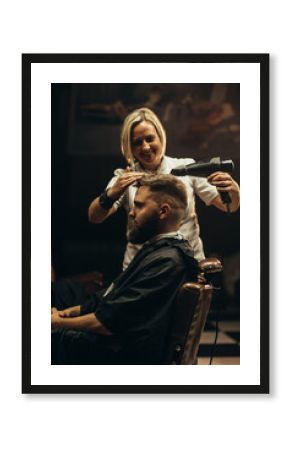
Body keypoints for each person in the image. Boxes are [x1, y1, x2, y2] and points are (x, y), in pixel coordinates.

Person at [51, 175, 199, 365]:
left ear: (163, 211)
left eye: (139, 205)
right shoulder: (157, 251)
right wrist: (67, 313)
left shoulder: (167, 261)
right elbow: (110, 297)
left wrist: (57, 322)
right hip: (120, 344)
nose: (131, 212)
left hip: (127, 356)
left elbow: (108, 323)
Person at [88, 107, 240, 270]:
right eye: (137, 142)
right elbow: (94, 217)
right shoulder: (124, 178)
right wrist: (110, 195)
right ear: (129, 147)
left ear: (160, 137)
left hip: (186, 266)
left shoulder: (186, 168)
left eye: (149, 139)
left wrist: (234, 190)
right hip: (140, 269)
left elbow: (229, 206)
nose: (145, 147)